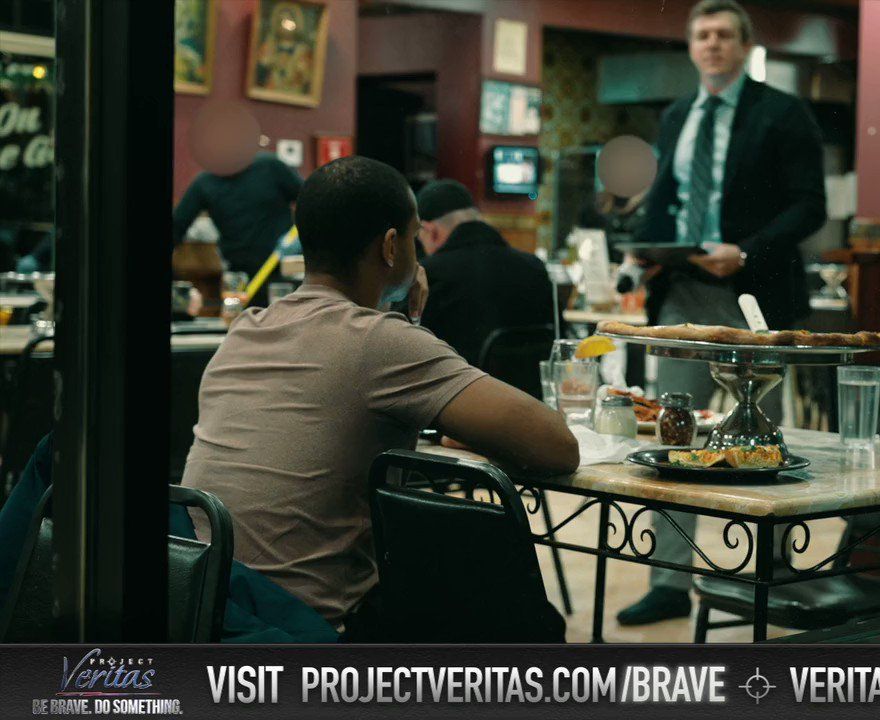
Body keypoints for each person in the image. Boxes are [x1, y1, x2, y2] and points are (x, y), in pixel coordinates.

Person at [181, 156, 579, 637]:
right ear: (391, 246)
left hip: (204, 603)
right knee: (534, 622)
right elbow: (557, 446)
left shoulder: (246, 330)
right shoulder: (382, 342)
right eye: (414, 238)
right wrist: (406, 322)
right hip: (303, 628)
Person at [617, 0, 827, 626]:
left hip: (754, 291)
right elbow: (666, 200)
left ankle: (776, 570)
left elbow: (809, 206)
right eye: (702, 35)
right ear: (691, 46)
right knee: (674, 434)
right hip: (683, 290)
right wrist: (644, 251)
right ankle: (668, 581)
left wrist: (747, 250)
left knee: (762, 438)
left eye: (723, 35)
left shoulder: (782, 113)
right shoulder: (677, 115)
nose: (711, 44)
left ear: (744, 45)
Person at [415, 179, 556, 367]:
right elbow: (557, 342)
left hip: (460, 385)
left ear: (430, 231)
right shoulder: (534, 267)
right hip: (532, 385)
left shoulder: (429, 274)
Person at [172, 103, 302, 277]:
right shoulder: (204, 184)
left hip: (284, 266)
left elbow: (310, 200)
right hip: (239, 272)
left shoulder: (270, 166)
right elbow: (177, 226)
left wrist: (300, 239)